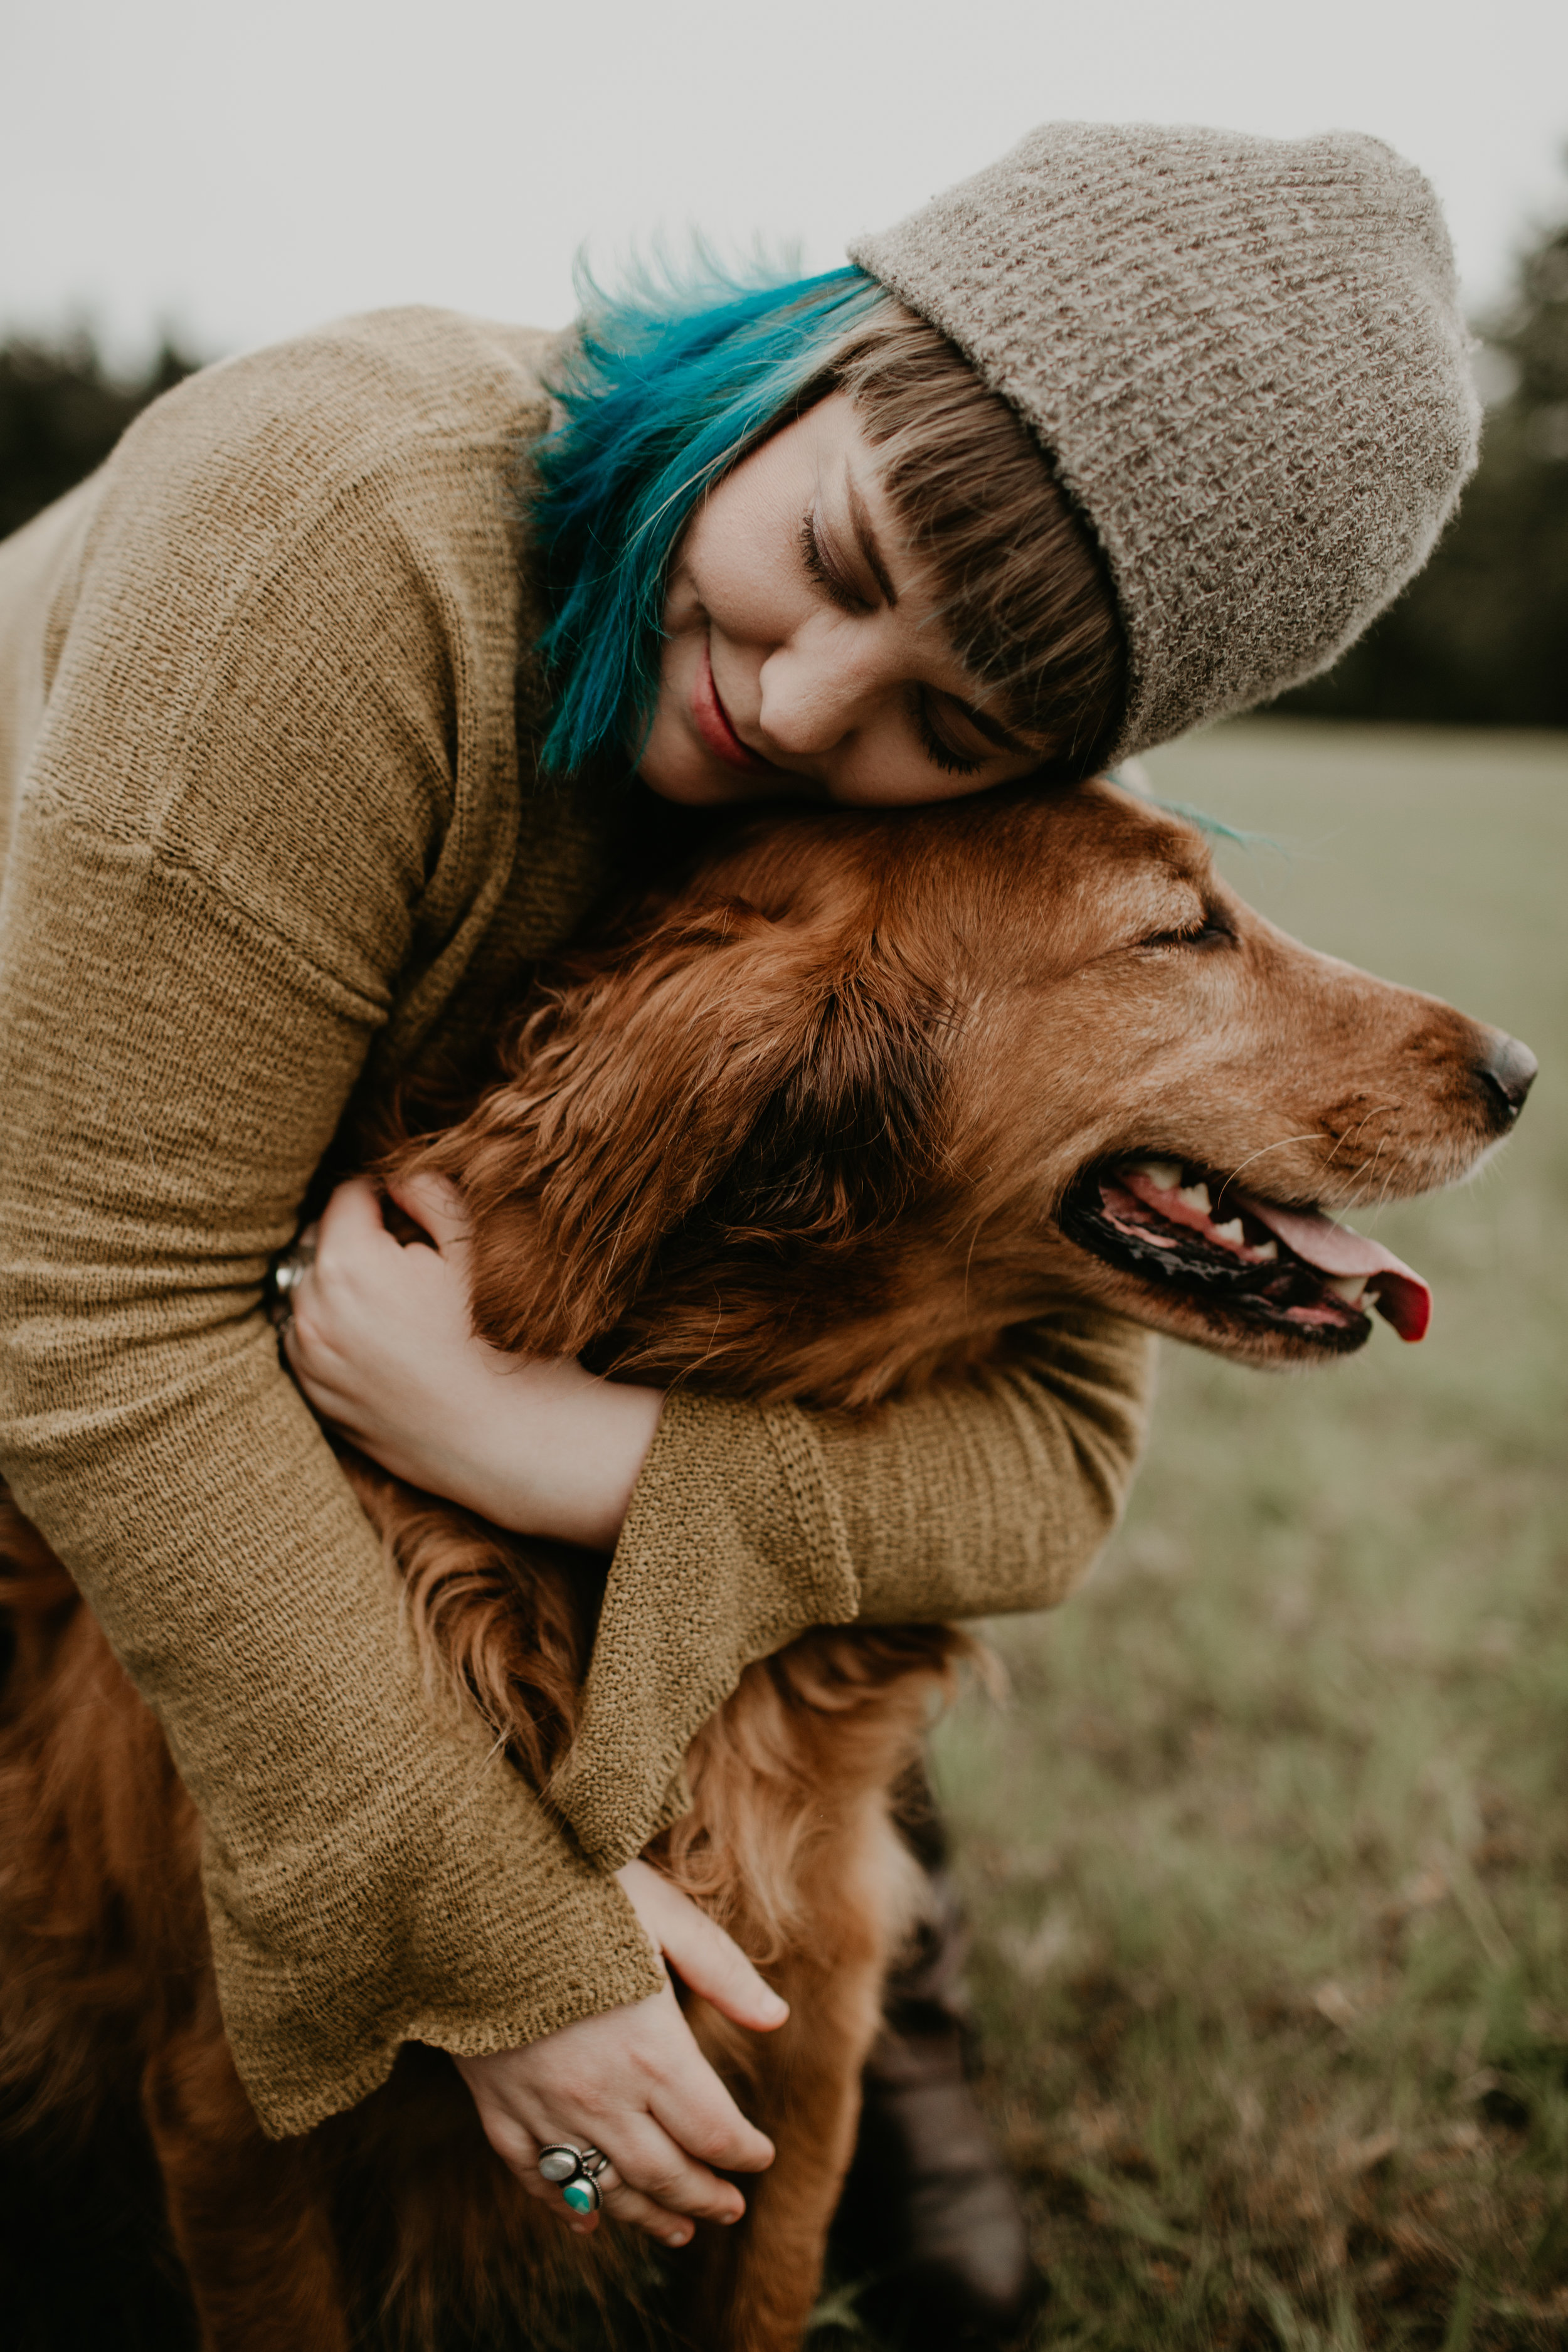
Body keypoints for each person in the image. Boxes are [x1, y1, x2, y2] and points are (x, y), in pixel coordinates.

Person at [0, 121, 1476, 2341]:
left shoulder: (1001, 812)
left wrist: (556, 1453)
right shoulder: (332, 535)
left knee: (839, 1336)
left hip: (354, 1307)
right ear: (815, 348)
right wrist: (500, 1943)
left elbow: (1050, 1460)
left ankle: (881, 1974)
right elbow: (88, 1315)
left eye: (951, 718)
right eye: (838, 549)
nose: (795, 712)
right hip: (68, 1154)